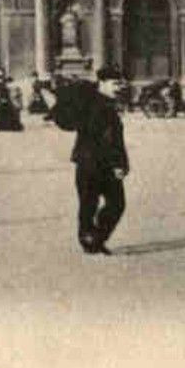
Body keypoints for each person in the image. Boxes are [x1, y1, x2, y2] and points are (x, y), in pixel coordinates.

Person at [52, 64, 129, 255]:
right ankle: (90, 239)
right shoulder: (94, 105)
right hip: (90, 165)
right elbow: (106, 139)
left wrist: (121, 163)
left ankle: (95, 237)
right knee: (89, 204)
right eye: (115, 83)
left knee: (116, 204)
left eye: (120, 83)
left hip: (104, 165)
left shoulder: (107, 104)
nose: (119, 87)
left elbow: (116, 140)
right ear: (102, 83)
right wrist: (118, 163)